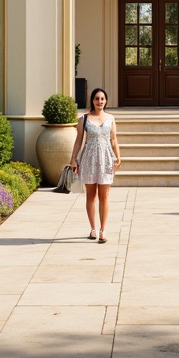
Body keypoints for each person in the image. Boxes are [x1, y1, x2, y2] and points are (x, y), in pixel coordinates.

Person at [69, 87, 121, 242]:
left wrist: (118, 157)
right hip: (88, 159)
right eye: (97, 98)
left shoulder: (111, 118)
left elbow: (113, 140)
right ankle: (93, 229)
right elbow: (78, 140)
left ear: (106, 101)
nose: (100, 101)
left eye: (102, 99)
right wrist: (73, 159)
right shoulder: (83, 119)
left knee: (104, 196)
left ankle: (103, 230)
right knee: (91, 196)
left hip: (106, 159)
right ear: (92, 100)